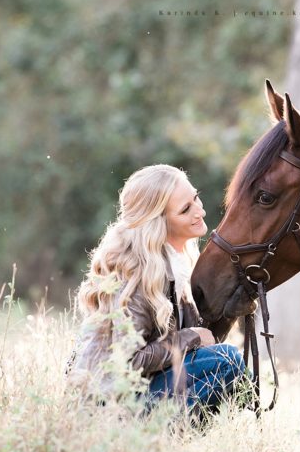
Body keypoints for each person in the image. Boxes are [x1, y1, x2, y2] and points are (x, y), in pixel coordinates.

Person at [67, 164, 248, 417]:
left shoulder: (177, 263)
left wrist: (231, 311)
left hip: (141, 392)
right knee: (226, 362)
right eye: (186, 209)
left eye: (195, 197)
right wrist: (190, 337)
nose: (201, 211)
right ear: (158, 223)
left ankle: (181, 444)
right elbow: (128, 362)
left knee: (230, 367)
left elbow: (202, 345)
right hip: (109, 406)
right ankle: (160, 443)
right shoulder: (136, 274)